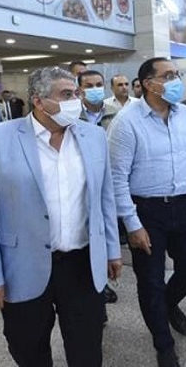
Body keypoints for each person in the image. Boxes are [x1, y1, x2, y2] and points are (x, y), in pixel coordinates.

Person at [0, 67, 122, 366]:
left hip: (82, 263)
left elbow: (105, 198)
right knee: (28, 348)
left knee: (87, 348)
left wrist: (111, 250)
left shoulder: (94, 136)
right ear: (38, 101)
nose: (76, 101)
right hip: (22, 265)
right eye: (66, 95)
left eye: (76, 93)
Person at [108, 57, 186, 367]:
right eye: (167, 76)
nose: (175, 80)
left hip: (184, 204)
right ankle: (163, 345)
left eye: (176, 74)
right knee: (151, 280)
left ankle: (167, 304)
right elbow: (117, 178)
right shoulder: (126, 122)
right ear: (148, 84)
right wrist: (132, 224)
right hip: (147, 210)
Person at [77, 69, 120, 305]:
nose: (95, 89)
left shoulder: (118, 113)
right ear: (80, 90)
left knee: (108, 231)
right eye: (89, 85)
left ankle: (103, 278)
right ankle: (97, 287)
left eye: (98, 84)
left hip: (113, 179)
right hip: (87, 183)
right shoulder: (73, 116)